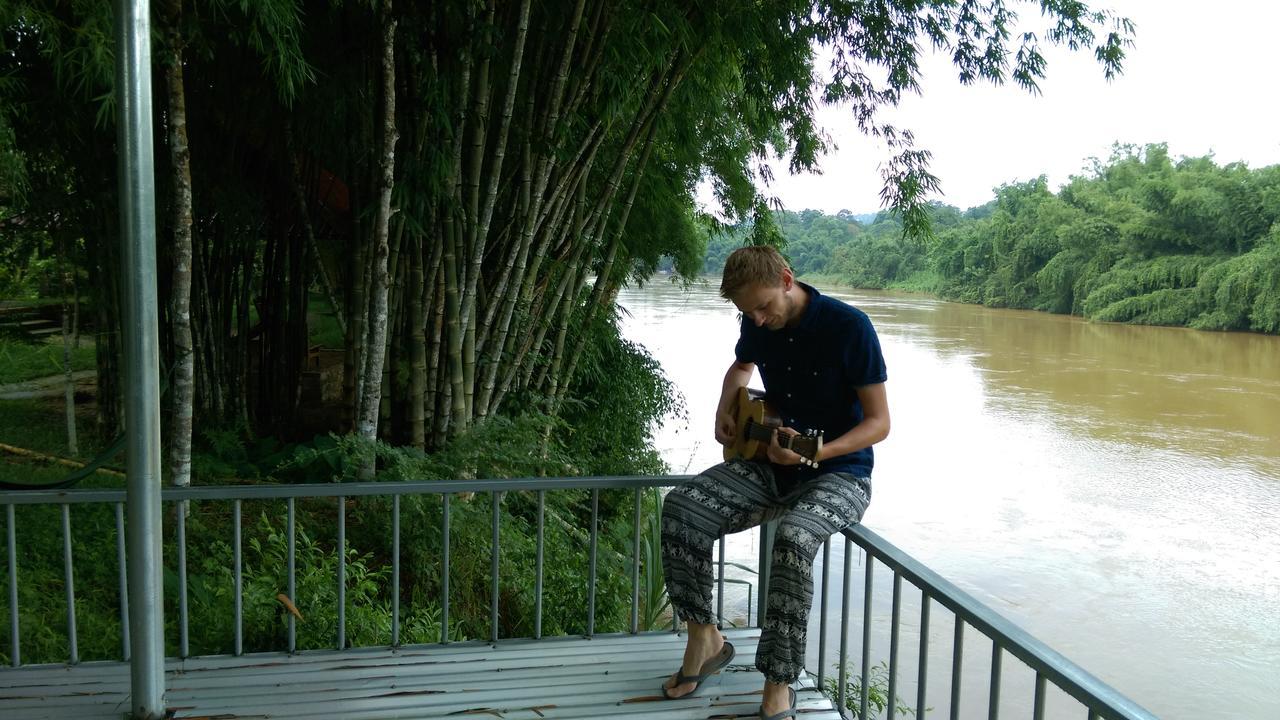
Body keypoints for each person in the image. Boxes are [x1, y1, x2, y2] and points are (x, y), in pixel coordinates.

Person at [659, 246, 890, 720]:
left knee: (793, 538)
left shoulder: (850, 328)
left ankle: (779, 683)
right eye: (748, 313)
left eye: (764, 307)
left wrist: (818, 450)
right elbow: (741, 368)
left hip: (840, 474)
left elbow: (879, 423)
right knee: (682, 509)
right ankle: (705, 638)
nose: (758, 320)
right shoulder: (755, 323)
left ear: (787, 279)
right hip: (769, 466)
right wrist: (724, 410)